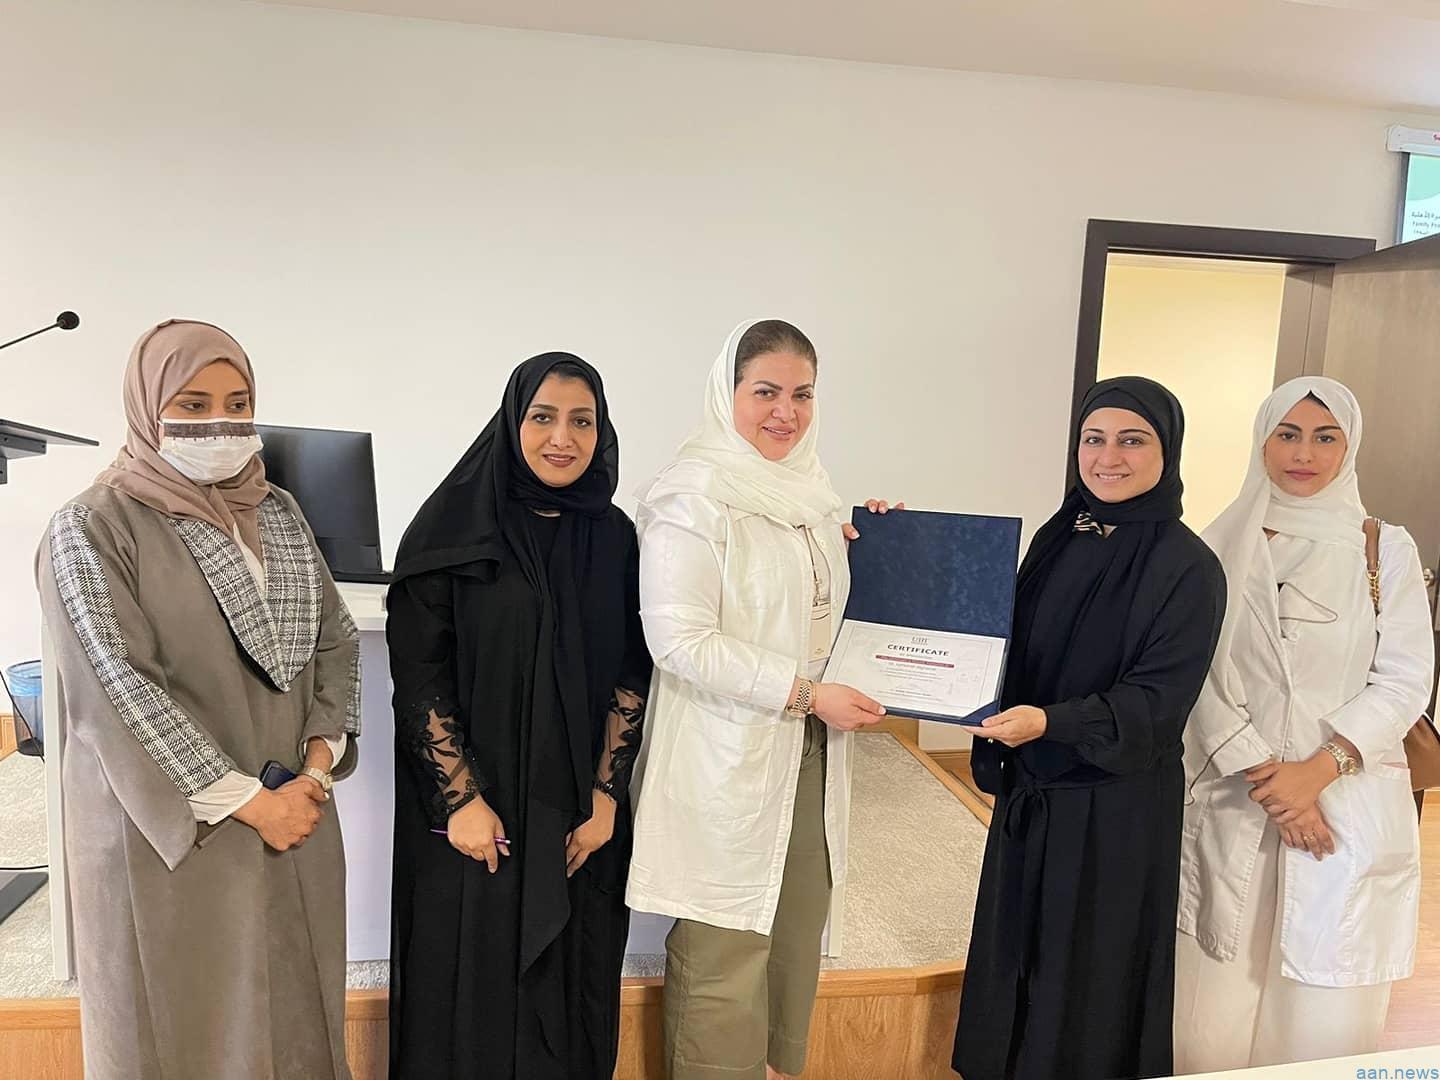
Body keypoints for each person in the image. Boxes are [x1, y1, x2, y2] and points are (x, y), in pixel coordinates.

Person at [36, 319, 360, 1079]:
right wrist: (248, 802)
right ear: (147, 407)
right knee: (181, 1026)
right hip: (174, 830)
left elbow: (335, 639)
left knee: (295, 1018)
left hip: (293, 806)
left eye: (237, 403)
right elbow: (116, 687)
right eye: (192, 404)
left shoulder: (277, 511)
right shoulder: (92, 526)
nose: (219, 424)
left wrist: (315, 769)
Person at [627, 318, 895, 1080]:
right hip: (727, 752)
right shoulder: (691, 496)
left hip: (809, 749)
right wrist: (806, 693)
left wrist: (888, 553)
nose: (785, 412)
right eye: (766, 392)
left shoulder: (813, 498)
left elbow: (821, 616)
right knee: (726, 946)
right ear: (729, 392)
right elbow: (679, 640)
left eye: (802, 394)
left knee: (794, 930)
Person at [386, 352, 652, 1080]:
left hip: (577, 814)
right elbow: (421, 677)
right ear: (512, 421)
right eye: (543, 417)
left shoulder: (615, 536)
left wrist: (606, 795)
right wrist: (462, 801)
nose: (562, 438)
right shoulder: (450, 530)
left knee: (571, 991)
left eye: (582, 421)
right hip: (477, 813)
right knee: (472, 985)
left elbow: (632, 669)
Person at [952, 376, 1225, 1080]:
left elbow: (1158, 701)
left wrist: (1051, 721)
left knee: (1090, 984)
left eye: (1132, 440)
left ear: (1167, 451)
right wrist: (892, 547)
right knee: (1019, 961)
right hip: (1034, 793)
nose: (1108, 457)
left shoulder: (1188, 566)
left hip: (1114, 812)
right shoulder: (1058, 537)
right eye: (1093, 439)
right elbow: (1000, 641)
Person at [1174, 377, 1433, 1070]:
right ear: (1262, 440)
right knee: (1209, 1015)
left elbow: (1405, 677)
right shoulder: (1216, 545)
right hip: (1235, 795)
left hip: (1344, 800)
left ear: (1349, 448)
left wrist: (1318, 773)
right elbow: (1192, 672)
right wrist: (1274, 784)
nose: (1303, 454)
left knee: (1323, 1019)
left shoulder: (1385, 549)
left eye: (1325, 437)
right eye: (1287, 434)